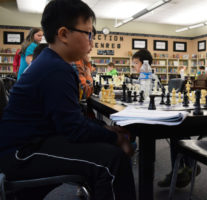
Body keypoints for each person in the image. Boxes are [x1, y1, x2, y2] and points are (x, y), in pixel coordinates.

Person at [0, 1, 136, 200]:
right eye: (88, 33)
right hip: (20, 153)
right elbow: (74, 129)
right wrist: (115, 137)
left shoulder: (52, 62)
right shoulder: (55, 69)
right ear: (63, 34)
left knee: (105, 149)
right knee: (112, 160)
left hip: (34, 142)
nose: (91, 41)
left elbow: (70, 119)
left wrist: (107, 130)